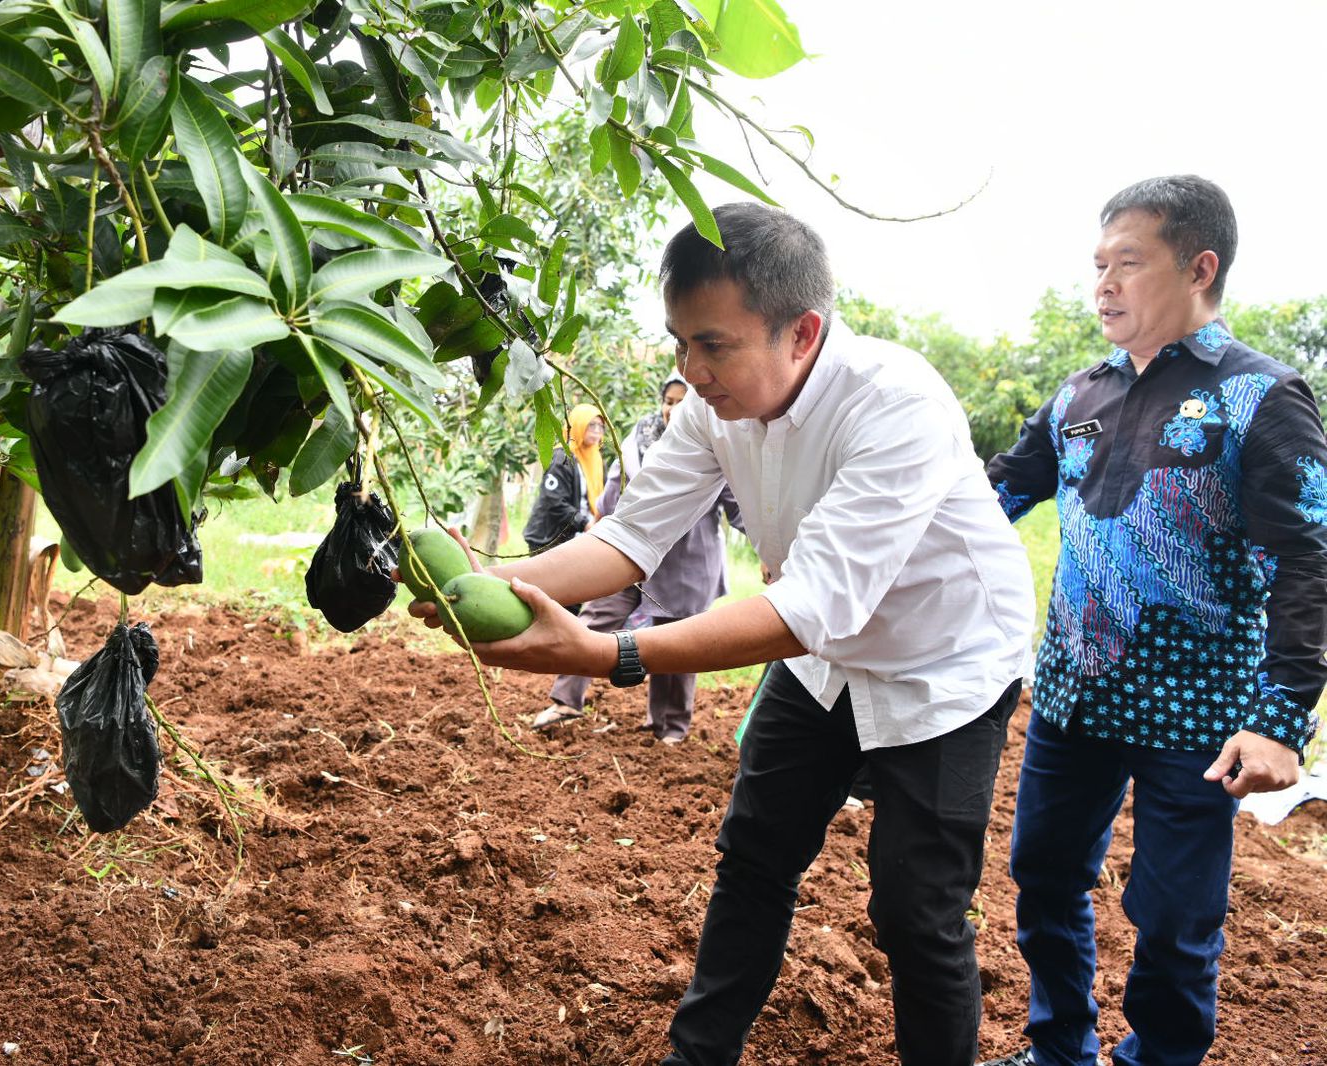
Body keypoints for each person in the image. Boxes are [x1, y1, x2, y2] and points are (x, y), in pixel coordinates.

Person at [405, 203, 1036, 1066]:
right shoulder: (712, 407)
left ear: (802, 333)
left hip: (944, 666)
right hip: (822, 663)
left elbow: (808, 606)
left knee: (916, 910)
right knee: (754, 858)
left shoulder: (896, 405)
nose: (689, 369)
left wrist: (609, 654)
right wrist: (480, 585)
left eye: (712, 344)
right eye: (678, 343)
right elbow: (628, 540)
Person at [980, 176, 1327, 1066]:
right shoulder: (1078, 398)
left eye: (1127, 264)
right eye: (1098, 265)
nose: (1103, 285)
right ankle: (1061, 1049)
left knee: (1175, 920)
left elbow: (1310, 559)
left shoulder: (1261, 397)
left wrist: (1282, 719)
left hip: (1201, 717)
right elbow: (987, 503)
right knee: (1042, 878)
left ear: (1199, 267)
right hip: (1071, 699)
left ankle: (1157, 1059)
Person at [531, 373, 743, 743]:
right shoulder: (638, 439)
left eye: (683, 401)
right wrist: (596, 531)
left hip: (685, 563)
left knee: (678, 641)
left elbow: (738, 504)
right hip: (627, 554)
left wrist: (775, 549)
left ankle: (668, 727)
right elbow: (614, 491)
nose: (674, 408)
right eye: (670, 400)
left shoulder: (713, 442)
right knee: (597, 618)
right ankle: (565, 702)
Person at [521, 402, 605, 558]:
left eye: (601, 426)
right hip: (549, 539)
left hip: (576, 538)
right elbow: (553, 500)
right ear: (578, 425)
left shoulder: (596, 459)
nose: (597, 430)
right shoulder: (562, 457)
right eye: (591, 424)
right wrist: (585, 523)